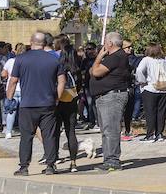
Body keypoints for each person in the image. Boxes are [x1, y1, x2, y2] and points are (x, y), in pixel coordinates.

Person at [8, 31, 66, 176]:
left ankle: (24, 167)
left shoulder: (20, 59)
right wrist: (57, 98)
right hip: (48, 103)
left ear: (31, 41)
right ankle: (50, 165)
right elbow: (62, 81)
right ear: (45, 43)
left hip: (27, 104)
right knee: (49, 135)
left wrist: (9, 98)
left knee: (26, 136)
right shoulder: (54, 59)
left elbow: (13, 81)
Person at [89, 32, 133, 172]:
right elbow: (93, 71)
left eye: (105, 42)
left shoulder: (116, 56)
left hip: (112, 97)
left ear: (110, 44)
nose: (104, 45)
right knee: (106, 130)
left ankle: (113, 161)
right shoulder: (114, 57)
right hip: (105, 97)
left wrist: (99, 57)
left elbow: (95, 72)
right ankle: (108, 159)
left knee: (111, 130)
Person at [135, 44, 166, 144]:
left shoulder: (147, 60)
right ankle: (159, 134)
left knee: (150, 112)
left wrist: (142, 81)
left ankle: (150, 135)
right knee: (161, 112)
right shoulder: (165, 60)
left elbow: (139, 70)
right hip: (164, 89)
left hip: (150, 89)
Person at [51, 36, 82, 171]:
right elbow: (79, 86)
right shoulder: (76, 69)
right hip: (72, 99)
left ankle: (54, 159)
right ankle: (73, 162)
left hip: (58, 100)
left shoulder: (58, 66)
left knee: (55, 132)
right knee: (71, 131)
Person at [1, 43, 25, 139]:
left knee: (11, 111)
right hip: (24, 89)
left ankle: (8, 132)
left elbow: (3, 74)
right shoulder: (26, 62)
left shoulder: (10, 61)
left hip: (11, 88)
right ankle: (24, 130)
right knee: (24, 112)